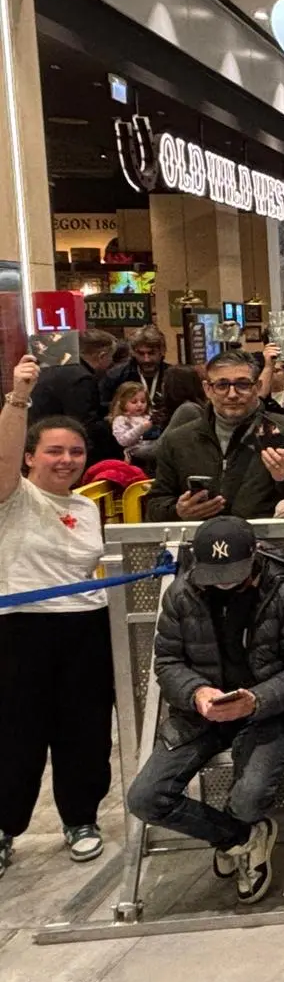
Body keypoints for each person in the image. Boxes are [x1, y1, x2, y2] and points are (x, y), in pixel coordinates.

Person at [124, 516, 284, 904]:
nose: (224, 581)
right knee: (145, 798)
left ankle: (240, 829)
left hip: (269, 712)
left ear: (255, 558)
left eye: (233, 572)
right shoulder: (181, 594)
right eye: (215, 573)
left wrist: (256, 699)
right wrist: (197, 693)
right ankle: (240, 838)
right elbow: (167, 662)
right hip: (200, 714)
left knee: (249, 796)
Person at [0, 358, 114, 876]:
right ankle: (4, 827)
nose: (67, 460)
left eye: (76, 451)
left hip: (86, 628)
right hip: (24, 629)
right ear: (29, 459)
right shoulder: (13, 498)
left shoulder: (89, 507)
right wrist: (19, 396)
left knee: (84, 732)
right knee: (17, 733)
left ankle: (82, 820)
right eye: (54, 451)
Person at [147, 350, 284, 522]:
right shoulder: (178, 441)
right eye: (222, 385)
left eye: (242, 385)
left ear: (258, 387)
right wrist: (178, 511)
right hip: (200, 543)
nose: (232, 394)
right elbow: (155, 504)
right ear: (208, 389)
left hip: (271, 544)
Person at [31, 328, 115, 441]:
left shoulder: (55, 367)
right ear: (102, 356)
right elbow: (84, 424)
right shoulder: (81, 378)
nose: (111, 362)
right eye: (111, 357)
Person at [99, 325, 170, 408]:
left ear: (162, 351)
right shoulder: (115, 376)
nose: (146, 359)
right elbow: (103, 409)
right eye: (141, 354)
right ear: (133, 353)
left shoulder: (174, 377)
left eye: (151, 353)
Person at [154, 364, 208, 436]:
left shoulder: (188, 409)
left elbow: (164, 444)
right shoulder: (177, 408)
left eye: (164, 381)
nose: (162, 385)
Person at [108, 381, 155, 460]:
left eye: (143, 401)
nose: (139, 405)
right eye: (134, 402)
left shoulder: (148, 416)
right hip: (135, 451)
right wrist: (141, 428)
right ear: (122, 403)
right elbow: (123, 441)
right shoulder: (121, 420)